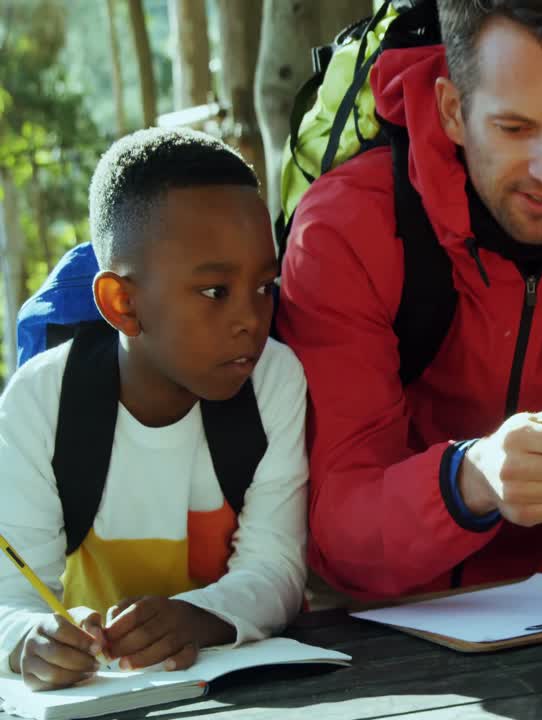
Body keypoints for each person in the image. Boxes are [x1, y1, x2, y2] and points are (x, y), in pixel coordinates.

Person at [277, 0, 542, 599]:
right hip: (360, 618)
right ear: (453, 109)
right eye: (515, 128)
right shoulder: (346, 225)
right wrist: (468, 480)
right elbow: (336, 526)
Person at [0, 128, 308, 689]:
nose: (251, 318)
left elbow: (277, 568)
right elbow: (8, 597)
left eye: (265, 285)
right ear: (123, 303)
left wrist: (201, 617)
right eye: (216, 291)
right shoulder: (41, 402)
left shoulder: (274, 382)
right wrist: (29, 639)